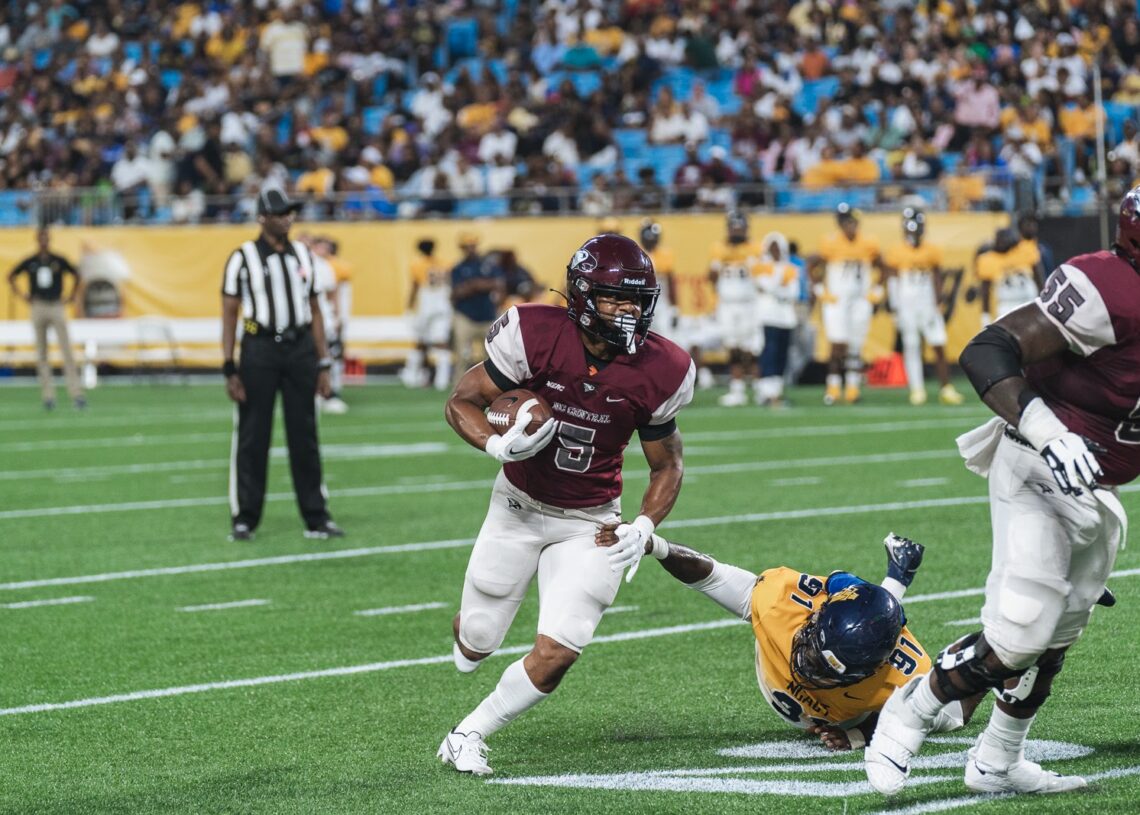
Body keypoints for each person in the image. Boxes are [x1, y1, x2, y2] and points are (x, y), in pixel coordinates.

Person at [864, 186, 1140, 797]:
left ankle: (997, 761)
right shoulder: (1110, 288)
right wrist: (1050, 430)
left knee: (1056, 640)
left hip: (1097, 491)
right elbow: (989, 348)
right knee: (1019, 631)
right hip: (1037, 465)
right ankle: (908, 712)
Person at [437, 234, 695, 776]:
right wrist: (494, 442)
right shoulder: (534, 333)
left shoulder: (662, 366)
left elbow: (667, 464)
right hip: (518, 505)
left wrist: (644, 523)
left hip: (591, 521)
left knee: (560, 650)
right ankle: (472, 632)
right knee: (477, 644)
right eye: (615, 298)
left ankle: (468, 733)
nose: (629, 311)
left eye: (637, 299)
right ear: (581, 295)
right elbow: (462, 398)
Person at [613, 529, 976, 750]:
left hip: (850, 705)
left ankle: (898, 579)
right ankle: (897, 577)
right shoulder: (783, 605)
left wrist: (862, 733)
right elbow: (710, 575)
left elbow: (921, 712)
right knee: (852, 597)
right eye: (815, 653)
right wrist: (655, 545)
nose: (809, 665)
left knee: (950, 711)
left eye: (825, 667)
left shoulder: (900, 676)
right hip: (813, 652)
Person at [221, 189, 344, 542]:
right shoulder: (242, 257)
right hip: (259, 347)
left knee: (304, 435)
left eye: (290, 212)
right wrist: (229, 366)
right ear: (262, 217)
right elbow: (229, 313)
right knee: (252, 436)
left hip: (300, 348)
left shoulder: (302, 254)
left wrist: (323, 363)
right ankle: (245, 517)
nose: (287, 218)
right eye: (279, 213)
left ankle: (316, 516)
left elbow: (316, 309)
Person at [883, 209, 965, 406]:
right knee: (912, 346)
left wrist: (937, 302)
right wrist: (895, 306)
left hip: (926, 303)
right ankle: (917, 388)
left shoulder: (931, 250)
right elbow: (893, 279)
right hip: (907, 305)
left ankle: (946, 388)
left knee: (938, 344)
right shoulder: (896, 251)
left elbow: (936, 276)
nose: (914, 235)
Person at [809, 204, 887, 405]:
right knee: (837, 344)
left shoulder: (868, 243)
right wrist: (819, 289)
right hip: (837, 301)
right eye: (848, 223)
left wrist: (876, 291)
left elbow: (883, 266)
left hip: (859, 300)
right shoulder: (830, 243)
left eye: (854, 222)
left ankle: (852, 388)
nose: (851, 227)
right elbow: (812, 263)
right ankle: (833, 386)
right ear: (840, 224)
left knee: (855, 346)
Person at [7, 227, 86, 410]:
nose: (44, 242)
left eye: (46, 238)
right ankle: (48, 396)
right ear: (37, 240)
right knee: (42, 353)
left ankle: (76, 394)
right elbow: (11, 276)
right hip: (38, 305)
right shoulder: (31, 261)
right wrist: (23, 295)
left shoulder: (57, 260)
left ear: (49, 240)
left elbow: (76, 274)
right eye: (41, 238)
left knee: (66, 350)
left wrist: (72, 296)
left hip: (56, 304)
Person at [708, 210, 764, 407]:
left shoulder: (755, 248)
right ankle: (737, 389)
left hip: (749, 303)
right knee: (733, 347)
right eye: (734, 227)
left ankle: (758, 387)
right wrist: (719, 263)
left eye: (740, 227)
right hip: (728, 304)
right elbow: (712, 278)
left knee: (752, 347)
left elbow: (760, 276)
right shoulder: (719, 248)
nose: (737, 231)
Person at [754, 231, 800, 407]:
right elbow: (767, 285)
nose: (775, 251)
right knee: (769, 352)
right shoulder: (761, 266)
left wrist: (778, 286)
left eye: (778, 247)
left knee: (782, 354)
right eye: (772, 247)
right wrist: (780, 283)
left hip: (786, 315)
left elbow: (793, 292)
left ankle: (776, 390)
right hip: (768, 314)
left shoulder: (790, 268)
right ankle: (765, 391)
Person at [450, 232, 505, 378]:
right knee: (462, 356)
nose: (471, 249)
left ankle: (489, 389)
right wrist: (480, 285)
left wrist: (473, 285)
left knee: (490, 358)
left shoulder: (487, 265)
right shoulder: (458, 268)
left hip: (487, 315)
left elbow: (500, 284)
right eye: (467, 247)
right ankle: (458, 391)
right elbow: (456, 292)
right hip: (465, 316)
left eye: (472, 246)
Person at [403, 238, 453, 390]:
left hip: (426, 306)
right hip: (442, 305)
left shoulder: (417, 264)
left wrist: (409, 306)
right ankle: (441, 379)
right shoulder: (445, 263)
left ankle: (412, 375)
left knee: (420, 342)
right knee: (441, 343)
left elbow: (415, 286)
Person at [309, 236, 349, 414]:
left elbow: (332, 294)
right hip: (306, 317)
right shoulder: (299, 263)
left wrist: (336, 316)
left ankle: (329, 392)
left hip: (323, 316)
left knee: (329, 354)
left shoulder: (325, 266)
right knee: (312, 356)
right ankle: (315, 393)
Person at [976, 226, 1038, 325]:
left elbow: (1038, 278)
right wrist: (985, 317)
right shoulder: (988, 259)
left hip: (1029, 301)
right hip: (1006, 305)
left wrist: (1043, 299)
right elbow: (985, 292)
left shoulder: (1025, 250)